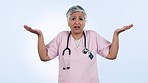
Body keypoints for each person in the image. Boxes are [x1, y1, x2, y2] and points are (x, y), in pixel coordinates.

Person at [23, 5, 133, 83]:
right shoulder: (62, 37)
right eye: (73, 18)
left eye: (81, 19)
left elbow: (111, 55)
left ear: (85, 22)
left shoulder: (93, 36)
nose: (77, 22)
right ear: (68, 22)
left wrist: (116, 34)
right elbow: (44, 57)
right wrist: (40, 35)